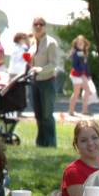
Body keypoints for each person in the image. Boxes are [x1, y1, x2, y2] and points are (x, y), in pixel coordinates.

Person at [61, 120, 99, 196]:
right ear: (76, 145)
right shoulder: (73, 172)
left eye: (95, 138)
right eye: (83, 140)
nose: (90, 143)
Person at [30, 17, 58, 147]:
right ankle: (41, 143)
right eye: (36, 24)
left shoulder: (51, 43)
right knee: (38, 115)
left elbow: (53, 64)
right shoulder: (33, 42)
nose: (38, 26)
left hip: (47, 81)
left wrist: (40, 69)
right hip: (35, 82)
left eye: (41, 24)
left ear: (45, 26)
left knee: (47, 115)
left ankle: (51, 143)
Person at [68, 35, 92, 116]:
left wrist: (88, 75)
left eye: (82, 41)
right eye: (79, 42)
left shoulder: (84, 52)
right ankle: (71, 111)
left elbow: (86, 65)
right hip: (76, 75)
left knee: (87, 91)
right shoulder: (76, 52)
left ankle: (84, 110)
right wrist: (82, 74)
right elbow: (75, 66)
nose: (80, 43)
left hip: (82, 75)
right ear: (76, 43)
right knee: (76, 93)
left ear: (84, 43)